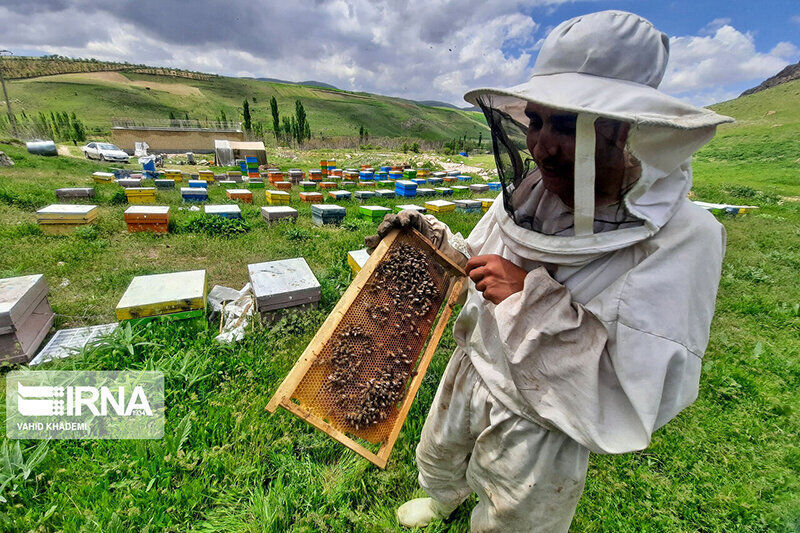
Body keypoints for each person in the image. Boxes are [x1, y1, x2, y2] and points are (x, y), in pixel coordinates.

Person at [365, 10, 732, 532]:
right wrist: (431, 242)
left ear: (619, 128)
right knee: (440, 448)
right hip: (474, 364)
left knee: (515, 512)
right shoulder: (533, 189)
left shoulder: (684, 238)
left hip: (541, 414)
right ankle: (442, 498)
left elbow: (632, 385)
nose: (541, 146)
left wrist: (526, 297)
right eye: (536, 121)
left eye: (566, 125)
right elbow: (481, 256)